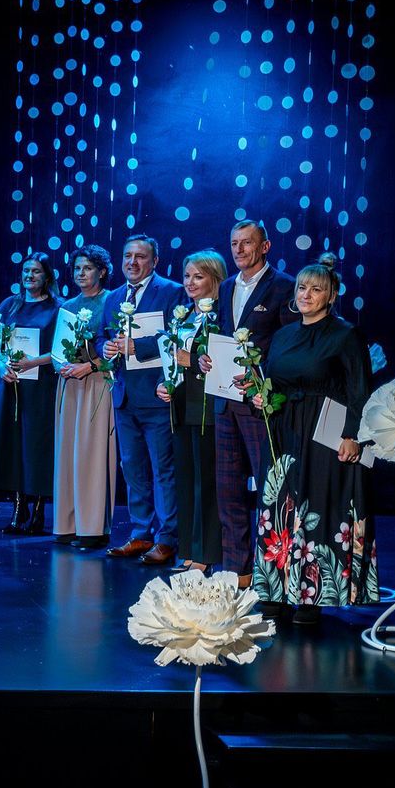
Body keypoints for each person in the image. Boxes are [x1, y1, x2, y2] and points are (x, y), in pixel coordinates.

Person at [251, 263, 377, 623]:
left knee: (317, 505)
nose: (306, 295)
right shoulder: (283, 335)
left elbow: (359, 390)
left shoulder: (345, 335)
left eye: (316, 289)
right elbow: (273, 381)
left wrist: (353, 436)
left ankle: (312, 594)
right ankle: (275, 589)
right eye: (302, 288)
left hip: (325, 432)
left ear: (331, 296)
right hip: (284, 429)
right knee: (278, 503)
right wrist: (261, 396)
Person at [99, 234, 189, 566]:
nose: (132, 262)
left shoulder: (172, 292)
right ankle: (140, 533)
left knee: (163, 470)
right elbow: (102, 336)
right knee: (133, 469)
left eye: (140, 256)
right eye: (128, 256)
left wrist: (140, 346)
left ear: (154, 261)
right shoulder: (113, 297)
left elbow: (177, 337)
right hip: (124, 397)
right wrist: (105, 348)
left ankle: (167, 538)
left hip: (156, 395)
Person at [214, 221, 295, 586]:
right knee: (228, 488)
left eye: (247, 243)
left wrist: (264, 378)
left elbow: (289, 344)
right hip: (226, 400)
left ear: (265, 246)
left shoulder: (284, 286)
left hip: (260, 404)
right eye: (234, 243)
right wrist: (208, 357)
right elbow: (223, 336)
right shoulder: (226, 286)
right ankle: (238, 568)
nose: (239, 249)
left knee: (269, 488)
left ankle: (272, 568)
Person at [155, 250, 226, 572]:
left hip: (208, 410)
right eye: (187, 276)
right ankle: (188, 548)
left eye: (198, 276)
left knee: (206, 484)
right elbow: (171, 361)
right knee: (185, 481)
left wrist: (193, 360)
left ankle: (205, 554)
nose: (190, 282)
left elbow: (224, 363)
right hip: (181, 409)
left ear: (215, 279)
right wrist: (163, 383)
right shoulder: (183, 319)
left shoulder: (222, 318)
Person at [0, 252, 60, 534]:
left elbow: (63, 351)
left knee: (37, 447)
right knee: (12, 445)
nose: (30, 276)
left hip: (41, 387)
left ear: (47, 276)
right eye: (26, 270)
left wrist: (33, 362)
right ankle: (19, 506)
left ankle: (38, 508)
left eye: (36, 271)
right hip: (11, 384)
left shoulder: (57, 308)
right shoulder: (8, 305)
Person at [52, 245, 116, 549]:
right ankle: (67, 524)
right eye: (77, 268)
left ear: (101, 271)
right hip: (69, 384)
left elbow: (116, 352)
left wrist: (88, 366)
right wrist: (61, 365)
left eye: (87, 268)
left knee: (91, 453)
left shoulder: (111, 301)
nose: (81, 273)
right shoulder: (68, 305)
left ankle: (92, 527)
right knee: (68, 453)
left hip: (96, 382)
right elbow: (57, 349)